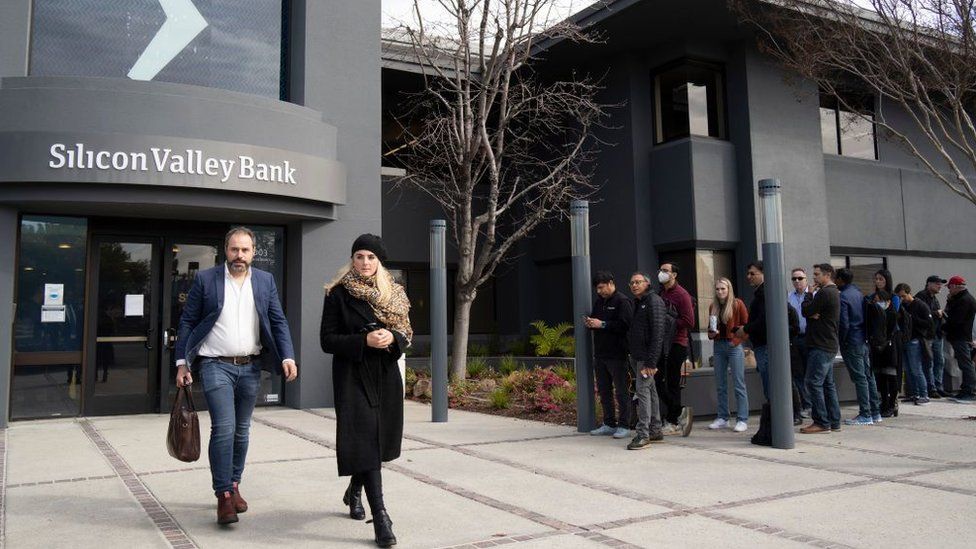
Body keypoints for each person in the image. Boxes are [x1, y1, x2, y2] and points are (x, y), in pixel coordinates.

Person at [175, 226, 298, 525]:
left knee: (242, 430)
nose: (239, 255)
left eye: (245, 250)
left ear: (253, 252)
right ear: (225, 250)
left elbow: (278, 319)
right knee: (225, 428)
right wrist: (182, 362)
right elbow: (188, 320)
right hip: (216, 365)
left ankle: (234, 484)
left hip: (251, 366)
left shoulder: (265, 281)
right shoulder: (207, 279)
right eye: (234, 249)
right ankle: (223, 496)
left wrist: (288, 354)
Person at [320, 234, 411, 548]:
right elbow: (327, 340)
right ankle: (382, 518)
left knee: (375, 441)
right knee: (365, 438)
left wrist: (392, 339)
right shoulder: (338, 293)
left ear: (379, 261)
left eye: (371, 257)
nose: (365, 263)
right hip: (352, 375)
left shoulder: (395, 294)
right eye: (359, 256)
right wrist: (363, 341)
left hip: (384, 374)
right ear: (352, 259)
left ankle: (354, 490)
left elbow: (406, 333)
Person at [584, 270, 634, 439]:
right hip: (601, 354)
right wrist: (591, 323)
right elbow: (596, 321)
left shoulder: (622, 301)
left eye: (601, 287)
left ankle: (625, 425)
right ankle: (609, 423)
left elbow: (625, 325)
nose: (599, 291)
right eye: (597, 289)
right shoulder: (599, 302)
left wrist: (602, 324)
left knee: (621, 391)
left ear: (611, 283)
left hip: (617, 354)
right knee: (604, 391)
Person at [625, 272, 667, 450]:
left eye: (638, 282)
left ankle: (643, 435)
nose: (634, 285)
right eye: (632, 283)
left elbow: (658, 334)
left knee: (642, 393)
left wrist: (651, 362)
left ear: (647, 284)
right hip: (637, 356)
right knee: (650, 391)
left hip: (646, 358)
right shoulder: (639, 302)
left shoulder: (653, 301)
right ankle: (655, 429)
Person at [799, 264, 842, 434]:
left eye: (817, 274)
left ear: (827, 275)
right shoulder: (833, 292)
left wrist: (809, 295)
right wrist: (812, 315)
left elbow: (806, 310)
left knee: (812, 382)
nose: (814, 277)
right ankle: (834, 420)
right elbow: (811, 314)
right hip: (828, 344)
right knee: (827, 384)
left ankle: (821, 421)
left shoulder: (825, 292)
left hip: (821, 345)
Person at [836, 268, 881, 424]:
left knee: (860, 378)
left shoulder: (844, 297)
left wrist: (841, 341)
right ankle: (875, 412)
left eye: (837, 279)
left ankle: (865, 414)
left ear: (841, 279)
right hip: (863, 340)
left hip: (852, 342)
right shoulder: (858, 293)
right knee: (868, 376)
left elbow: (844, 323)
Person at [656, 262, 695, 437]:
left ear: (674, 275)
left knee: (672, 382)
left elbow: (689, 321)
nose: (662, 273)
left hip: (677, 344)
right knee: (658, 381)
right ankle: (679, 412)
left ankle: (672, 421)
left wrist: (670, 322)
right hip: (662, 343)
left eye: (665, 271)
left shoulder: (682, 295)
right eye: (661, 270)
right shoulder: (661, 292)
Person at [707, 277, 750, 432]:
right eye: (718, 289)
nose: (720, 291)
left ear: (729, 289)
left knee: (739, 383)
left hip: (734, 345)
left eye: (723, 289)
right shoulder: (713, 306)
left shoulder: (737, 304)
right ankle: (723, 417)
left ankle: (742, 419)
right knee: (720, 384)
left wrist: (736, 342)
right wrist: (712, 333)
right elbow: (709, 331)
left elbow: (746, 326)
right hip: (718, 346)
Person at [894, 283, 934, 405]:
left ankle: (924, 395)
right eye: (900, 297)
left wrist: (912, 319)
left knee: (916, 369)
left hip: (915, 340)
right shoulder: (903, 306)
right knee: (908, 369)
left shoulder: (920, 305)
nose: (902, 299)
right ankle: (914, 394)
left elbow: (929, 323)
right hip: (905, 340)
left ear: (909, 293)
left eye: (903, 296)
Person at [734, 262, 768, 399]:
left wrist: (745, 329)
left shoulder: (765, 293)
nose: (748, 276)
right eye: (748, 273)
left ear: (763, 274)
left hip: (765, 344)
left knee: (770, 382)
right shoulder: (761, 292)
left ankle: (786, 414)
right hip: (761, 344)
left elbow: (763, 319)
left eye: (752, 273)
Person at [865, 290, 899, 417]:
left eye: (879, 301)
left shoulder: (892, 314)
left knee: (891, 376)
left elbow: (890, 331)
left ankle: (892, 404)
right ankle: (884, 403)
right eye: (875, 301)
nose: (877, 303)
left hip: (889, 348)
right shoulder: (874, 313)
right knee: (881, 377)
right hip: (878, 348)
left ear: (888, 302)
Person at [944, 275, 976, 402]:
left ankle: (969, 391)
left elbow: (956, 320)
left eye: (950, 287)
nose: (949, 290)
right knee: (965, 364)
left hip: (961, 337)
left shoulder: (964, 300)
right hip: (961, 336)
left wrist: (944, 326)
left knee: (966, 364)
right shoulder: (963, 298)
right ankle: (965, 389)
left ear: (956, 287)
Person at [916, 275, 948, 398]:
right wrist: (936, 313)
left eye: (940, 284)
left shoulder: (934, 298)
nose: (940, 286)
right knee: (928, 362)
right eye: (937, 284)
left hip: (937, 334)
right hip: (927, 335)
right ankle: (931, 388)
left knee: (940, 361)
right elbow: (921, 314)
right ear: (929, 284)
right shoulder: (921, 296)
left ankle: (938, 386)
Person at [787, 267, 811, 417]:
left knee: (811, 373)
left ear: (805, 279)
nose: (797, 281)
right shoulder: (789, 297)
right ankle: (806, 405)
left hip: (811, 338)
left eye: (800, 278)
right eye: (794, 279)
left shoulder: (813, 295)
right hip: (795, 339)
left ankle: (815, 405)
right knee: (798, 374)